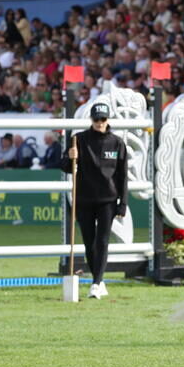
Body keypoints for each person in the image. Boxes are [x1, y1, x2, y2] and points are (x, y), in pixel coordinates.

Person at [61, 103, 128, 299]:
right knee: (89, 243)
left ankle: (96, 283)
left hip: (108, 200)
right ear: (91, 120)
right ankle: (98, 280)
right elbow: (65, 166)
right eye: (96, 119)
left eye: (103, 119)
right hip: (84, 199)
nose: (100, 123)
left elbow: (123, 176)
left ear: (108, 120)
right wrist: (69, 157)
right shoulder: (78, 140)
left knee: (102, 241)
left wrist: (122, 203)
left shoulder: (117, 143)